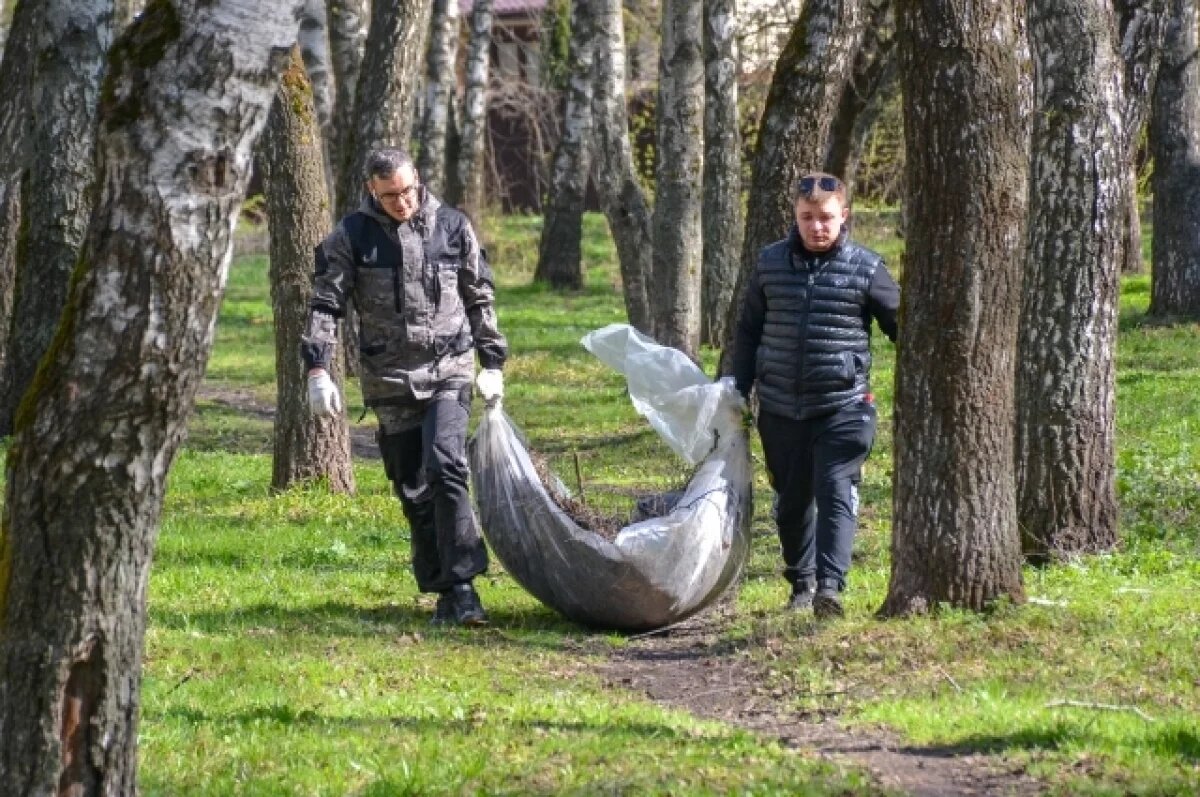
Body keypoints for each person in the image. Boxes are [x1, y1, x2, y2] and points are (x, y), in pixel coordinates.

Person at [301, 147, 507, 627]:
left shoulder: (453, 227)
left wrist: (492, 360)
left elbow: (480, 295)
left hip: (449, 368)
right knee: (412, 488)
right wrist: (318, 368)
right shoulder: (351, 236)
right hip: (389, 378)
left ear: (419, 182)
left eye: (408, 190)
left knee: (447, 465)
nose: (402, 202)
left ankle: (464, 587)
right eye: (390, 194)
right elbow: (326, 303)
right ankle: (442, 591)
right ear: (372, 191)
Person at [730, 172, 899, 618]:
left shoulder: (867, 268)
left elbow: (905, 327)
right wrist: (736, 386)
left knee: (835, 488)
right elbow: (748, 332)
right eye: (808, 217)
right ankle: (801, 584)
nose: (817, 226)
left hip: (844, 406)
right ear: (796, 216)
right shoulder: (769, 264)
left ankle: (830, 588)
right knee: (790, 501)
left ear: (843, 216)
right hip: (781, 407)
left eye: (825, 217)